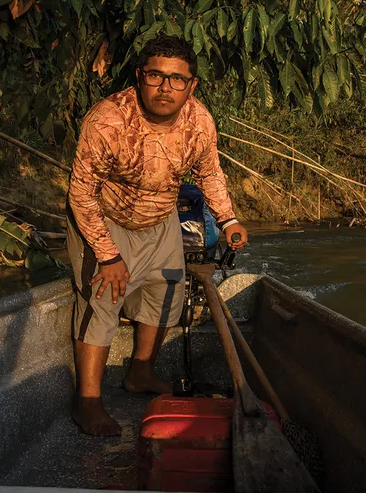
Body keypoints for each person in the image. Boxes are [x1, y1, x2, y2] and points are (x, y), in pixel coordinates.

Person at [65, 35, 248, 436]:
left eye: (177, 79)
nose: (166, 88)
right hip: (105, 216)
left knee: (166, 293)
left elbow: (209, 172)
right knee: (101, 304)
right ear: (139, 76)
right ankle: (88, 403)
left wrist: (229, 219)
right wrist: (108, 256)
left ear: (192, 85)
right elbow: (81, 193)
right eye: (156, 76)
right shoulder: (108, 120)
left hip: (161, 217)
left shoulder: (199, 121)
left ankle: (141, 372)